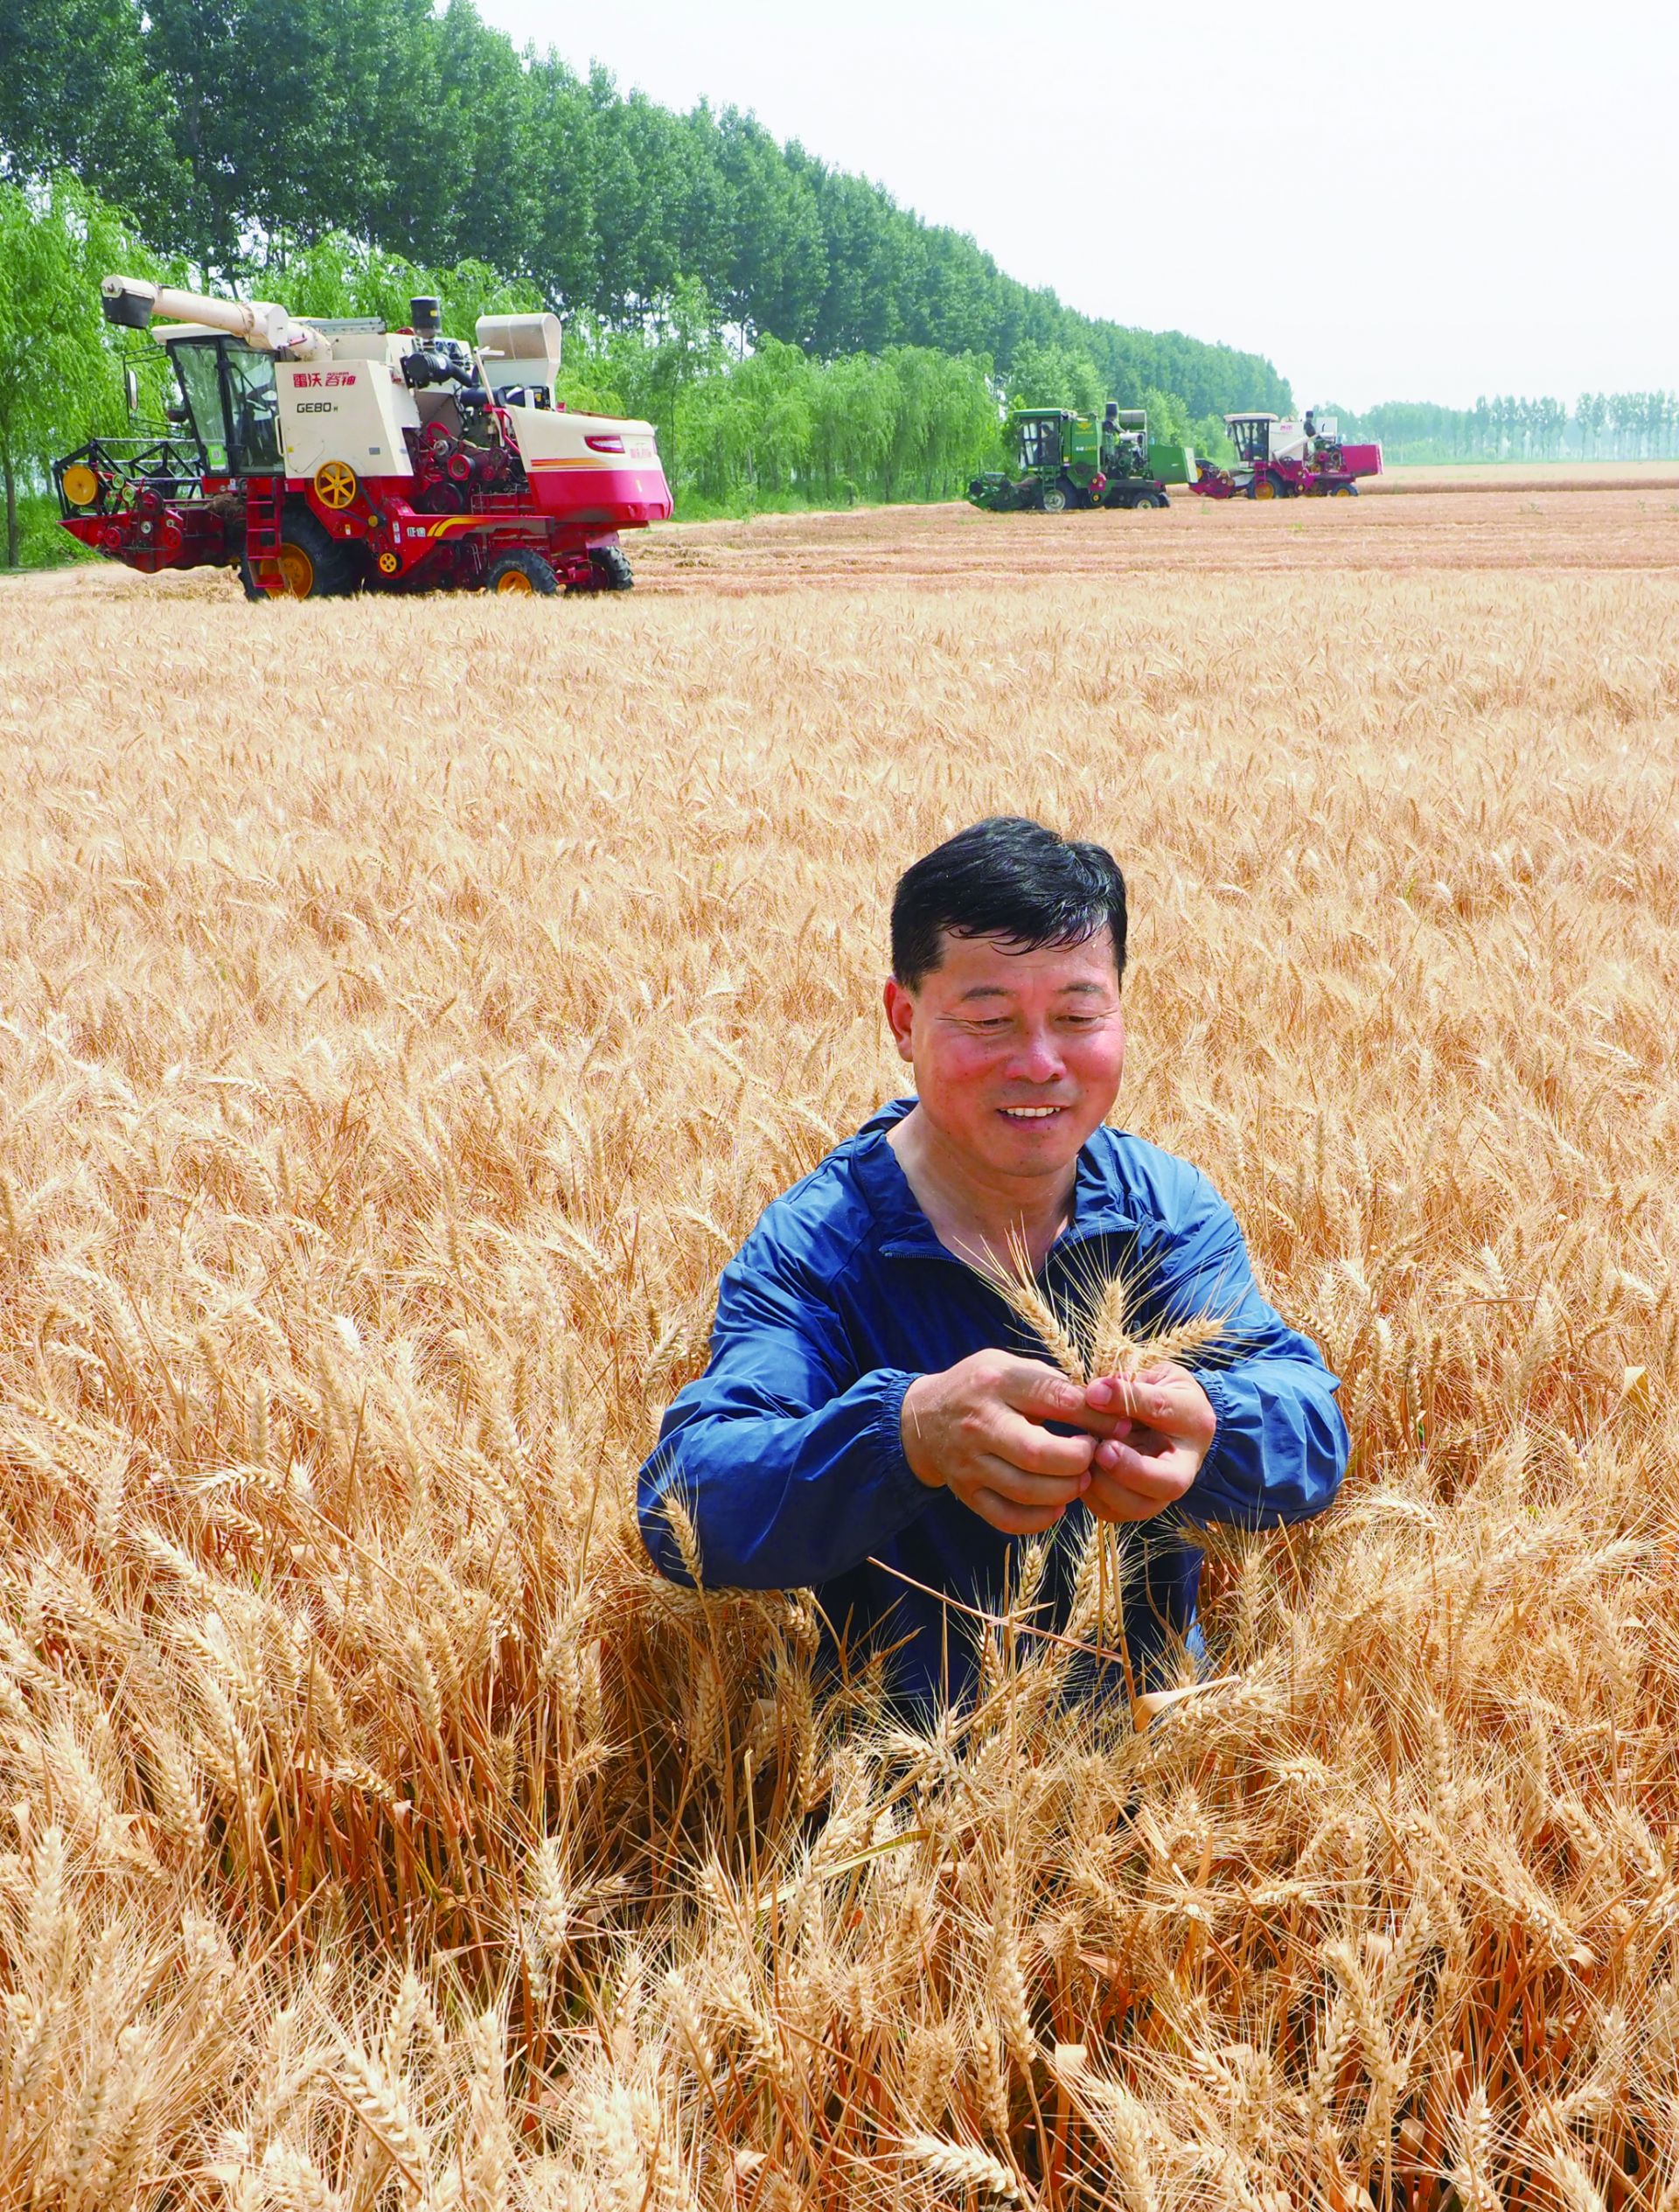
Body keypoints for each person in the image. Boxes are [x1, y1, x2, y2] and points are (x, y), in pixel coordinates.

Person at [637, 817, 1348, 1708]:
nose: (1040, 1063)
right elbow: (688, 1499)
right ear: (903, 1019)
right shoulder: (817, 1247)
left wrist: (1211, 1427)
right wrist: (909, 1431)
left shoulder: (1165, 1210)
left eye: (1078, 1017)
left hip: (1151, 1755)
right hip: (899, 1774)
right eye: (989, 1019)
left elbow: (1312, 1428)